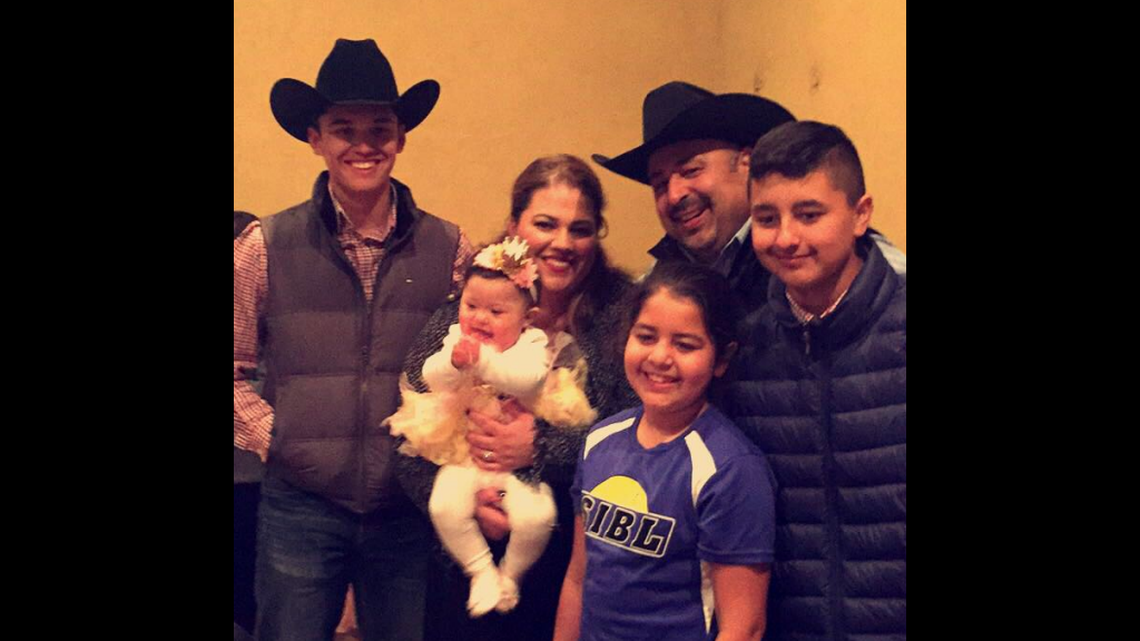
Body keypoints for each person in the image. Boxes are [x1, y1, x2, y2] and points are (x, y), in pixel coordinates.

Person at [233, 38, 473, 641]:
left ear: (401, 137)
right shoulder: (264, 246)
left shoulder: (452, 250)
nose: (364, 145)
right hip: (300, 508)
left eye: (380, 128)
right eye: (344, 128)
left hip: (407, 509)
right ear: (315, 138)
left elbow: (478, 370)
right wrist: (277, 440)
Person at [395, 154, 637, 641]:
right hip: (466, 557)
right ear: (514, 227)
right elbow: (409, 430)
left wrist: (541, 447)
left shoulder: (622, 318)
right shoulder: (464, 313)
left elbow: (639, 431)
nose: (563, 243)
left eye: (581, 228)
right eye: (545, 224)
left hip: (578, 557)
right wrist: (465, 505)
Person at [726, 121, 906, 641]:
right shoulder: (743, 350)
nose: (785, 238)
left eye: (809, 214)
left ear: (860, 214)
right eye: (766, 218)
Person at [553, 261, 776, 641]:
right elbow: (578, 576)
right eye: (646, 337)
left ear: (721, 359)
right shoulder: (599, 441)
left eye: (685, 344)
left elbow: (745, 626)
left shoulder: (730, 468)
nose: (659, 357)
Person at [388, 238, 595, 618]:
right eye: (471, 306)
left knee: (537, 516)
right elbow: (430, 377)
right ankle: (481, 570)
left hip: (519, 465)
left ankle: (511, 575)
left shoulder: (533, 344)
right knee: (444, 505)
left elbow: (527, 381)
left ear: (526, 318)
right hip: (466, 451)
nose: (480, 318)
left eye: (496, 311)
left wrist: (481, 361)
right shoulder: (455, 337)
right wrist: (453, 361)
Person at [592, 81, 905, 315]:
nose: (674, 195)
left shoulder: (814, 257)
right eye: (658, 184)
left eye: (690, 170)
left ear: (747, 162)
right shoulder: (657, 281)